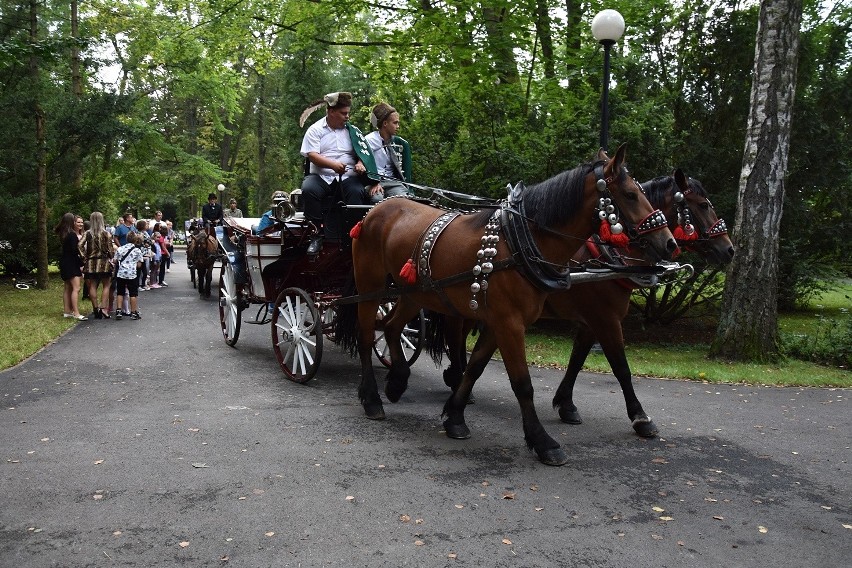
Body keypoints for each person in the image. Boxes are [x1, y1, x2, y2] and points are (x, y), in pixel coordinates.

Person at [298, 91, 380, 254]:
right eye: (343, 113)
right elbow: (312, 155)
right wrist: (333, 165)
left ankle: (354, 238)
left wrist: (360, 163)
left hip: (348, 177)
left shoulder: (354, 131)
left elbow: (365, 153)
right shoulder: (315, 130)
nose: (347, 117)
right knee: (308, 190)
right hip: (321, 176)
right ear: (331, 112)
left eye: (348, 113)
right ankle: (316, 235)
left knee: (357, 192)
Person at [365, 102, 413, 203]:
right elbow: (364, 166)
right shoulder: (368, 140)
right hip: (374, 182)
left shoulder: (399, 143)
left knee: (404, 200)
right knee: (377, 200)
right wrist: (374, 182)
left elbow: (405, 172)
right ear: (385, 123)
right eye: (395, 123)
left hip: (393, 182)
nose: (398, 126)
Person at [78, 211, 116, 320]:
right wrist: (110, 255)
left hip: (90, 263)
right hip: (103, 262)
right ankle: (103, 307)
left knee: (92, 286)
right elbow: (110, 249)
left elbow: (80, 245)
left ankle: (95, 309)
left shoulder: (87, 233)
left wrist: (84, 257)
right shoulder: (106, 233)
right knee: (106, 285)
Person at [54, 212, 87, 320]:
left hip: (65, 262)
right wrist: (82, 263)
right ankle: (76, 313)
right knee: (76, 288)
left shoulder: (63, 234)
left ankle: (67, 311)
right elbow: (74, 251)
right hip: (72, 264)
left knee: (67, 287)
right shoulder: (72, 235)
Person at [113, 232, 144, 320]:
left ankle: (119, 310)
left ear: (126, 239)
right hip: (132, 274)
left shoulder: (120, 249)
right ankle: (133, 312)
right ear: (135, 240)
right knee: (133, 293)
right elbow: (139, 265)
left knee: (120, 292)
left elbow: (115, 260)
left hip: (121, 273)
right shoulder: (137, 250)